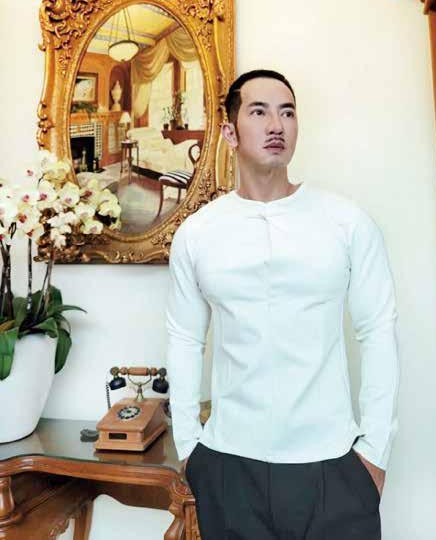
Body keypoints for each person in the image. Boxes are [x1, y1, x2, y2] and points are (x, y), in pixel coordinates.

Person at [165, 69, 400, 540]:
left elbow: (378, 330)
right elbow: (185, 338)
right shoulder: (198, 233)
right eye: (259, 112)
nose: (277, 125)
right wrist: (189, 447)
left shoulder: (346, 222)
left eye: (288, 113)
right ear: (230, 132)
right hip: (228, 465)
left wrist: (374, 451)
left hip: (333, 464)